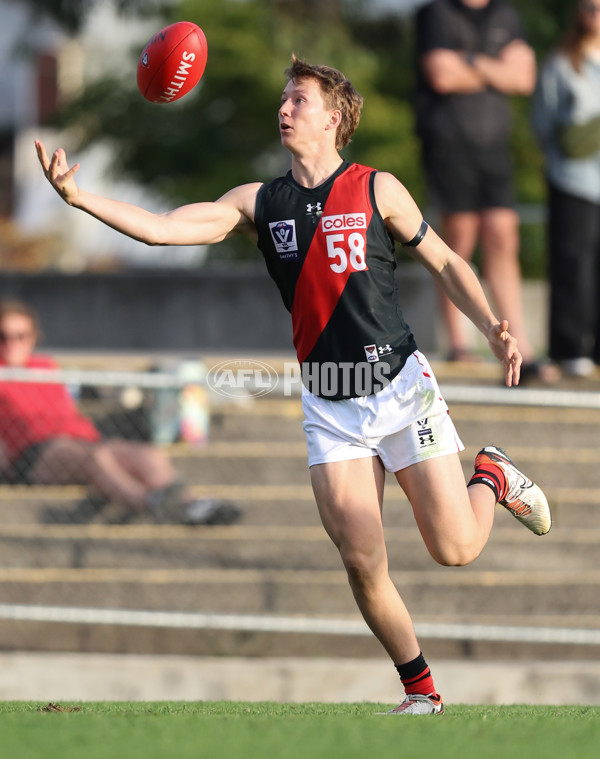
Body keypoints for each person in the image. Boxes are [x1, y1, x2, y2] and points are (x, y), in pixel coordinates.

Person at [35, 54, 551, 715]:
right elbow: (165, 230)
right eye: (282, 99)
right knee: (362, 558)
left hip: (399, 388)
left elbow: (446, 258)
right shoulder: (259, 201)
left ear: (333, 118)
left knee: (455, 548)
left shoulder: (376, 188)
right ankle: (420, 690)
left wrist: (491, 326)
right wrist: (80, 199)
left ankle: (492, 476)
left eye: (298, 100)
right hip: (331, 401)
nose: (284, 109)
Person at [0, 299, 241, 526]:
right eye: (4, 336)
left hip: (81, 440)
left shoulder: (45, 366)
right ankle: (150, 504)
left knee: (149, 455)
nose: (12, 343)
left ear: (33, 337)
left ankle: (190, 504)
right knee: (97, 457)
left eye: (21, 336)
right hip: (34, 454)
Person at [415, 0, 556, 382]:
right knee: (458, 237)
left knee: (503, 235)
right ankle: (459, 344)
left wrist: (471, 62)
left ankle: (520, 345)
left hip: (495, 146)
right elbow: (442, 76)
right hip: (449, 143)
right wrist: (497, 68)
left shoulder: (506, 14)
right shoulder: (436, 14)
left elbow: (524, 79)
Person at [532, 0, 600, 378]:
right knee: (572, 264)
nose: (593, 14)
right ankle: (570, 347)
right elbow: (543, 121)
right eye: (588, 7)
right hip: (573, 179)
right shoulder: (561, 62)